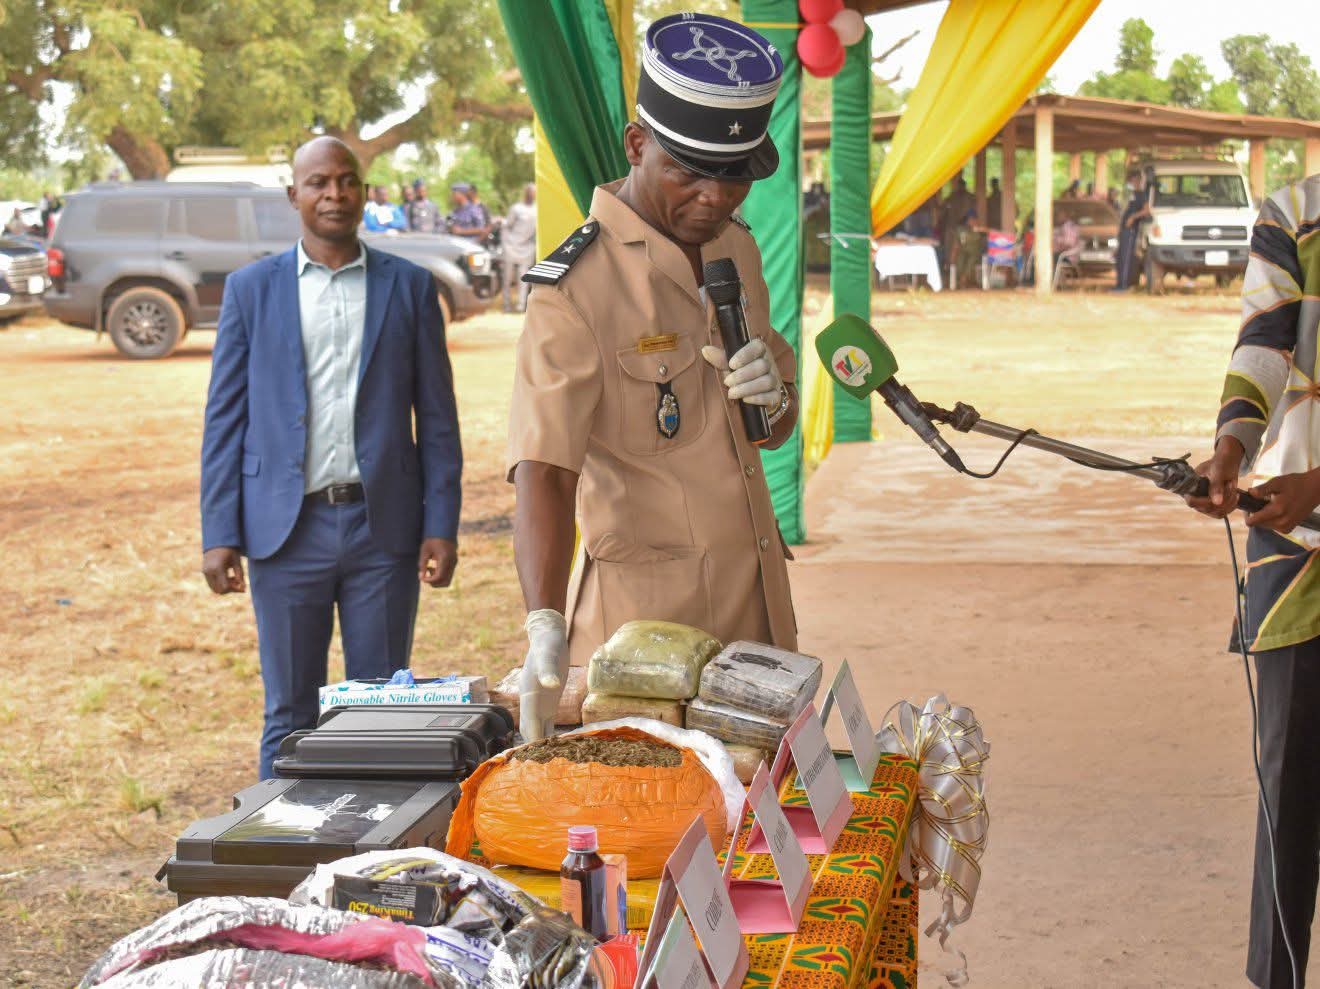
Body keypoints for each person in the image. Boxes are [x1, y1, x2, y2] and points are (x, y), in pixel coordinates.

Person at [507, 12, 799, 740]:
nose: (714, 196)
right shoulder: (575, 286)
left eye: (734, 177)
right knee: (650, 838)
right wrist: (543, 616)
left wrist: (779, 394)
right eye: (687, 171)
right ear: (637, 145)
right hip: (642, 639)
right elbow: (544, 467)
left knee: (759, 837)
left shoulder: (739, 250)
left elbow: (770, 430)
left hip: (756, 608)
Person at [199, 136, 463, 779]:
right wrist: (219, 532)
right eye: (318, 183)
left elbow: (436, 417)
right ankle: (282, 855)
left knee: (378, 710)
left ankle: (367, 862)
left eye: (347, 181)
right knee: (288, 714)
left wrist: (440, 523)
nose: (334, 194)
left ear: (365, 193)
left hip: (385, 534)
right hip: (284, 533)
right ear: (295, 195)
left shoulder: (408, 288)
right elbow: (224, 418)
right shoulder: (251, 291)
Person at [1186, 172, 1320, 989]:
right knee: (1287, 794)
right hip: (1296, 545)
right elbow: (1263, 344)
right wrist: (1233, 448)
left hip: (1307, 503)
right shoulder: (1297, 211)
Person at [501, 183, 537, 313]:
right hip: (511, 246)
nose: (532, 195)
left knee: (523, 278)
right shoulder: (516, 208)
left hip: (527, 248)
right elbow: (508, 223)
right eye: (530, 192)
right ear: (526, 193)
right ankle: (506, 305)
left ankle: (521, 306)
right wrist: (500, 221)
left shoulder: (537, 209)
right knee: (507, 278)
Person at [1113, 169, 1151, 290]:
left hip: (1131, 230)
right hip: (1123, 229)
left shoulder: (1141, 194)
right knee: (1120, 258)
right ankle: (1119, 283)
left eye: (1133, 180)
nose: (1131, 183)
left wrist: (1133, 217)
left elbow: (1146, 210)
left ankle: (1124, 285)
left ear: (1138, 180)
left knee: (1126, 257)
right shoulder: (1128, 194)